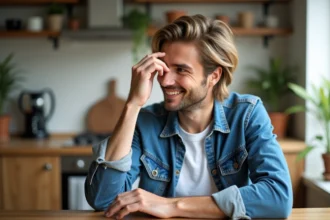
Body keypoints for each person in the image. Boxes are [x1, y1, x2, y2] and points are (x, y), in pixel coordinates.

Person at [85, 14, 293, 219]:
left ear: (214, 76)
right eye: (164, 69)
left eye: (181, 70)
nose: (165, 81)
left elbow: (277, 197)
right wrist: (133, 104)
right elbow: (103, 200)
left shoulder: (247, 114)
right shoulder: (146, 121)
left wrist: (172, 206)